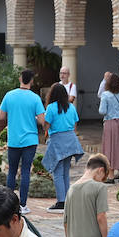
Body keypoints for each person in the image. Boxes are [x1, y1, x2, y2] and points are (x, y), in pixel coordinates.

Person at [1, 70, 48, 213]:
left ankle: (9, 205)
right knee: (26, 171)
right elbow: (42, 120)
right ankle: (22, 205)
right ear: (32, 81)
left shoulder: (9, 95)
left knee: (12, 171)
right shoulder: (35, 98)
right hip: (30, 139)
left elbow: (1, 116)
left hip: (13, 139)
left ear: (20, 78)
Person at [42, 82, 83, 211]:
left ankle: (61, 201)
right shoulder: (71, 107)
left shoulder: (51, 107)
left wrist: (45, 134)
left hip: (58, 140)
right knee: (65, 172)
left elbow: (46, 125)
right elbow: (75, 125)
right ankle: (67, 199)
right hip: (71, 140)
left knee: (57, 172)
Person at [98, 74, 119, 184]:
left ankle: (111, 176)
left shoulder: (105, 95)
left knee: (110, 148)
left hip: (110, 123)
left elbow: (102, 111)